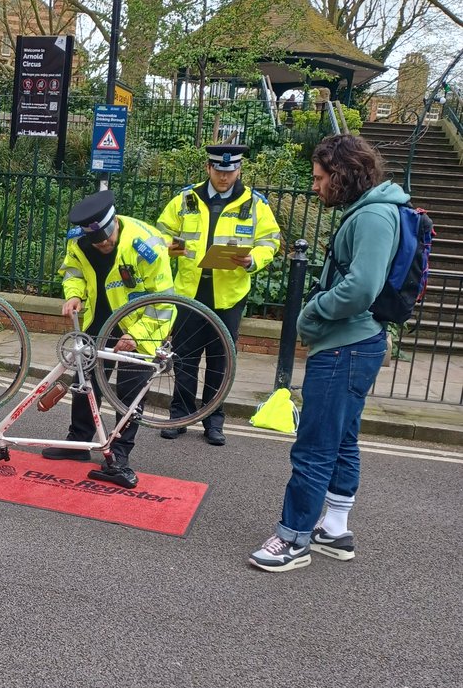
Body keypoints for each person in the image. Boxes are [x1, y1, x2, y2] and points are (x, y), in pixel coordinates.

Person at [249, 134, 406, 571]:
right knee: (342, 439)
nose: (315, 187)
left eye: (320, 178)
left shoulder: (373, 216)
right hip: (355, 344)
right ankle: (334, 530)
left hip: (345, 347)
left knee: (314, 446)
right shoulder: (372, 210)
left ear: (342, 174)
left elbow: (361, 287)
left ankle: (292, 539)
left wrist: (312, 312)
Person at [41, 190, 175, 488]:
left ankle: (120, 452)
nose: (104, 244)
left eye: (107, 237)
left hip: (139, 328)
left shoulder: (146, 244)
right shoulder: (79, 241)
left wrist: (137, 335)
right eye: (97, 241)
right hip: (97, 322)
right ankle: (78, 442)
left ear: (114, 221)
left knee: (130, 392)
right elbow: (72, 271)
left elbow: (165, 301)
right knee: (83, 382)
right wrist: (73, 294)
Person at [155, 143, 282, 445]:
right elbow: (159, 232)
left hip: (229, 295)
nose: (225, 177)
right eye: (219, 171)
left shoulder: (254, 203)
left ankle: (214, 420)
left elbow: (271, 240)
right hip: (190, 290)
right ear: (208, 168)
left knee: (220, 360)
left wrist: (254, 259)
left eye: (231, 171)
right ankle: (180, 416)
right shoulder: (185, 198)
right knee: (184, 357)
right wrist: (173, 246)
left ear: (239, 170)